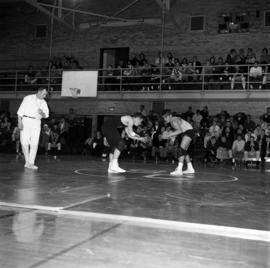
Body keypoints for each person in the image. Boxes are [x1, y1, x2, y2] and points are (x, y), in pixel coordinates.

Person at [17, 87, 49, 170]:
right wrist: (19, 122)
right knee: (24, 142)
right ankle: (27, 161)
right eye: (44, 94)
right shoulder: (28, 98)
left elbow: (46, 115)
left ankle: (31, 163)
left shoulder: (44, 102)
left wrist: (42, 113)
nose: (45, 96)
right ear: (39, 92)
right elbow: (20, 111)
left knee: (34, 143)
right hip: (26, 120)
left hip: (36, 122)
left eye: (46, 94)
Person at [161, 109, 195, 176]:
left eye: (166, 117)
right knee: (184, 151)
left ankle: (179, 170)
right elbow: (179, 130)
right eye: (164, 118)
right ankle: (190, 168)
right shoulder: (173, 120)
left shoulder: (173, 120)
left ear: (170, 115)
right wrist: (173, 137)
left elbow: (180, 130)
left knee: (181, 149)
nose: (165, 119)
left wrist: (168, 135)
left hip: (188, 132)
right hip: (188, 132)